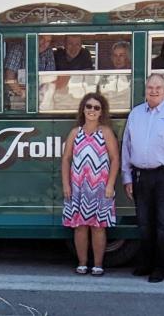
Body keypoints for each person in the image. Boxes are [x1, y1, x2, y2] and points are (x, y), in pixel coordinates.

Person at [121, 73, 164, 282]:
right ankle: (146, 263)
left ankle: (160, 267)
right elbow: (127, 146)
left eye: (158, 87)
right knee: (144, 222)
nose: (154, 91)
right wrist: (127, 177)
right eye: (150, 87)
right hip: (141, 175)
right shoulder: (135, 114)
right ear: (146, 90)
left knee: (162, 224)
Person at [62, 93, 120, 276]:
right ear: (83, 109)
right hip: (78, 186)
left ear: (102, 111)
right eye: (89, 106)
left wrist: (110, 185)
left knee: (98, 226)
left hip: (100, 186)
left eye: (96, 107)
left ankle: (98, 264)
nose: (92, 110)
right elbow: (66, 159)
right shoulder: (75, 133)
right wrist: (66, 185)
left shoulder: (106, 132)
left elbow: (115, 159)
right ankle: (82, 263)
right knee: (79, 226)